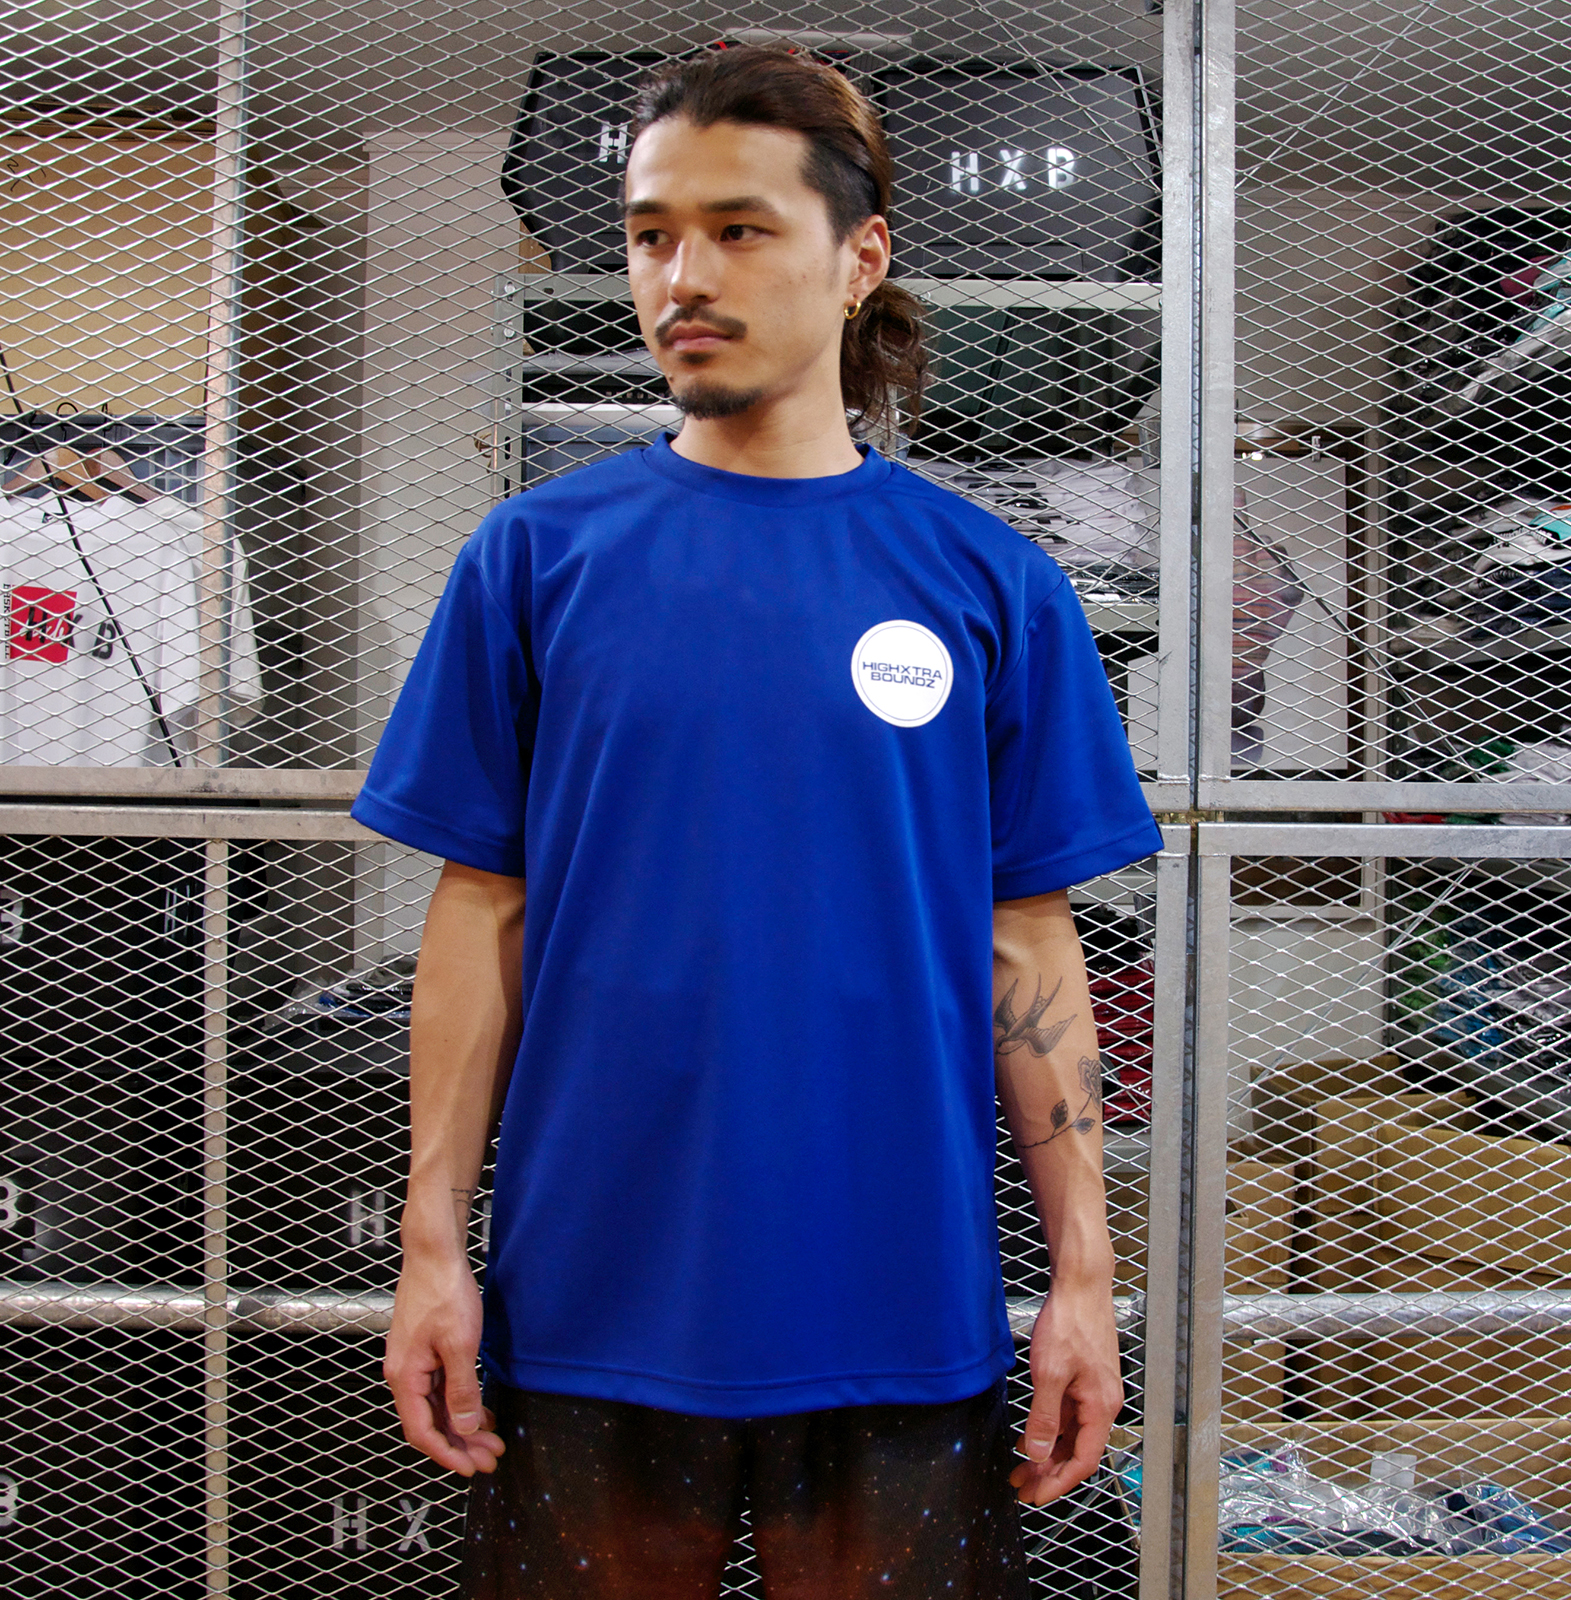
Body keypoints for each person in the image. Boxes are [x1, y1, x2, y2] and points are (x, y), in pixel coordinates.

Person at [353, 43, 1163, 1599]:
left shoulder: (993, 584)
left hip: (898, 1302)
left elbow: (1030, 946)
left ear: (859, 259)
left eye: (739, 229)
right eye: (651, 233)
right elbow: (479, 914)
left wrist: (1084, 1275)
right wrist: (432, 1244)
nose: (683, 276)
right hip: (591, 1298)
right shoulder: (534, 560)